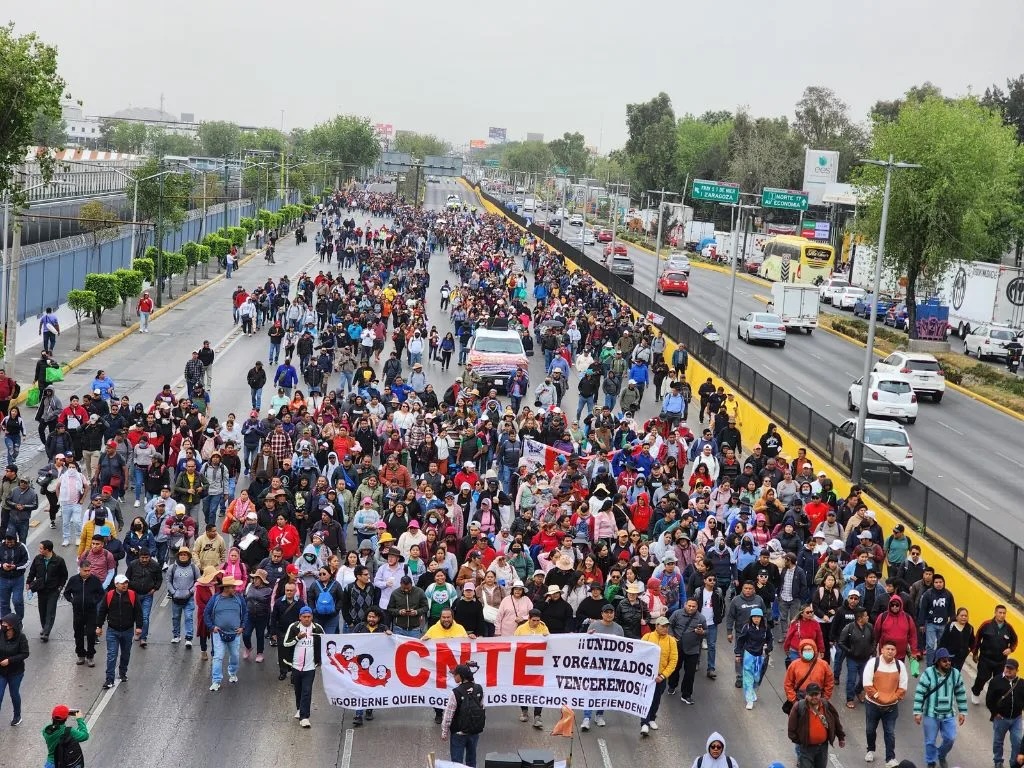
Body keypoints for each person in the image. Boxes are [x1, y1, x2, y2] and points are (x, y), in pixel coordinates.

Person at [913, 647, 967, 768]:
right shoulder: (928, 673)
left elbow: (961, 693)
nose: (948, 662)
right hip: (931, 714)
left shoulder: (955, 674)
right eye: (944, 660)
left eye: (949, 660)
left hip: (949, 715)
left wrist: (962, 712)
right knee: (930, 741)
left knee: (950, 738)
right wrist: (917, 712)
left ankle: (941, 755)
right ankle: (931, 761)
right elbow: (920, 692)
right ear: (937, 661)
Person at [862, 640, 909, 767]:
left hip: (891, 707)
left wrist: (892, 699)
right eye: (887, 649)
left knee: (890, 732)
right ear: (881, 650)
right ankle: (870, 750)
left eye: (893, 649)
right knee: (870, 729)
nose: (890, 651)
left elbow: (903, 687)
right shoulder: (873, 663)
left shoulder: (900, 665)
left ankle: (890, 758)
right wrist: (880, 698)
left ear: (896, 651)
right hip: (872, 705)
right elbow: (867, 684)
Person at [96, 574, 143, 689]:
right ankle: (109, 679)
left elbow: (138, 612)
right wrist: (99, 626)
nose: (125, 585)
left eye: (126, 583)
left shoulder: (132, 595)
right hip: (112, 631)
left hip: (127, 631)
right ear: (116, 584)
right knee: (112, 655)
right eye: (122, 583)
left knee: (125, 653)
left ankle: (122, 673)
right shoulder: (109, 595)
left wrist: (139, 627)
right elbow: (102, 611)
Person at [788, 682, 846, 768]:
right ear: (806, 695)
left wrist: (841, 737)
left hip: (822, 748)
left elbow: (836, 721)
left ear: (820, 694)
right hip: (806, 749)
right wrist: (801, 741)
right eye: (811, 694)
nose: (814, 697)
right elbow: (791, 728)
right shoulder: (799, 707)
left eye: (817, 694)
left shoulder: (826, 705)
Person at [283, 605, 324, 728]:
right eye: (304, 617)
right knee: (298, 690)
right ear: (300, 617)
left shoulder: (317, 628)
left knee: (307, 691)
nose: (307, 619)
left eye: (309, 617)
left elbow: (326, 643)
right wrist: (297, 638)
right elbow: (285, 643)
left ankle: (304, 717)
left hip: (310, 667)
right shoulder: (294, 627)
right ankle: (300, 708)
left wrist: (321, 660)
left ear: (312, 617)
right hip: (296, 666)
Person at [204, 575, 247, 691]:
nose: (235, 589)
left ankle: (232, 673)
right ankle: (216, 681)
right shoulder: (215, 599)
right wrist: (212, 627)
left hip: (235, 634)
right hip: (219, 634)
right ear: (226, 588)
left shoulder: (239, 599)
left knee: (234, 655)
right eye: (233, 587)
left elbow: (245, 613)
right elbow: (206, 613)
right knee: (218, 657)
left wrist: (242, 627)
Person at [440, 663, 485, 768]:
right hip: (474, 732)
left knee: (456, 764)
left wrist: (444, 732)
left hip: (458, 733)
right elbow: (482, 708)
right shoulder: (479, 689)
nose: (454, 676)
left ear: (461, 676)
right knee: (471, 761)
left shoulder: (456, 692)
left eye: (455, 674)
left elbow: (448, 715)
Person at [639, 615, 677, 736]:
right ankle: (644, 722)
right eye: (663, 626)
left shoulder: (671, 641)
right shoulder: (647, 637)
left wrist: (663, 675)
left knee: (656, 699)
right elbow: (639, 653)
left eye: (667, 626)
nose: (665, 629)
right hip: (647, 676)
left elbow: (673, 660)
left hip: (660, 677)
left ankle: (651, 719)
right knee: (646, 699)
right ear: (656, 626)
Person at [973, 605, 1019, 704]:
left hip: (1001, 661)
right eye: (1000, 612)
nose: (1002, 615)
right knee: (982, 678)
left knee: (997, 682)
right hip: (985, 659)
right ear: (995, 613)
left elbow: (1015, 641)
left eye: (1004, 613)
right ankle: (976, 693)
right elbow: (977, 638)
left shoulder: (1009, 628)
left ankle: (991, 699)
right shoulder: (986, 624)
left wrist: (1010, 649)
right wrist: (975, 653)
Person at [26, 539, 68, 642]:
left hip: (53, 590)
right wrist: (28, 582)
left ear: (47, 550)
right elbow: (32, 572)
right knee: (42, 611)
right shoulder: (38, 559)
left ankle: (46, 632)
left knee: (50, 611)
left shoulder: (58, 561)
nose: (39, 550)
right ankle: (44, 627)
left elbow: (64, 575)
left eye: (41, 548)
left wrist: (60, 587)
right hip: (41, 590)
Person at [668, 597, 708, 705]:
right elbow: (669, 625)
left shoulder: (701, 618)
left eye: (693, 606)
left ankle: (686, 695)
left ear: (697, 607)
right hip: (677, 647)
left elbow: (707, 631)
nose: (691, 608)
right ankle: (672, 686)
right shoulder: (677, 614)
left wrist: (702, 632)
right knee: (675, 669)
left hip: (693, 649)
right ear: (685, 604)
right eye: (689, 605)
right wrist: (671, 636)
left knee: (690, 673)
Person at [63, 558, 104, 666]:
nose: (87, 573)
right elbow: (66, 593)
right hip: (78, 612)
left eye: (89, 570)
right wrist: (72, 601)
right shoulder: (73, 580)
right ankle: (81, 655)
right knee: (78, 634)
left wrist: (94, 601)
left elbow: (101, 593)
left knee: (91, 634)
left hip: (91, 612)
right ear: (80, 570)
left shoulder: (95, 580)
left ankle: (90, 656)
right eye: (85, 570)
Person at [985, 657, 1023, 768]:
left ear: (1017, 670)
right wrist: (995, 713)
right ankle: (998, 761)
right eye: (1007, 667)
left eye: (1011, 669)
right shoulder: (995, 681)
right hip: (1001, 718)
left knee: (1017, 742)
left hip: (1016, 719)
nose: (1008, 670)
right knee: (998, 742)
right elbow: (989, 700)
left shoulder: (1021, 683)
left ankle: (1014, 764)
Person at [735, 606, 770, 710]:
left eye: (758, 617)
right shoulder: (747, 627)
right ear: (751, 618)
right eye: (754, 617)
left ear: (761, 618)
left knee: (757, 676)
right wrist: (738, 654)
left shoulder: (765, 628)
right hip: (749, 654)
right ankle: (749, 699)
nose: (756, 619)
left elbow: (770, 639)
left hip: (760, 655)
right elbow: (740, 641)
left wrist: (769, 647)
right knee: (748, 677)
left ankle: (753, 689)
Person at [0, 613, 28, 725]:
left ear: (12, 626)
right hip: (1, 672)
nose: (3, 625)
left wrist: (9, 660)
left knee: (14, 694)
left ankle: (17, 716)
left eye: (5, 623)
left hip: (16, 672)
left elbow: (25, 653)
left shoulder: (21, 637)